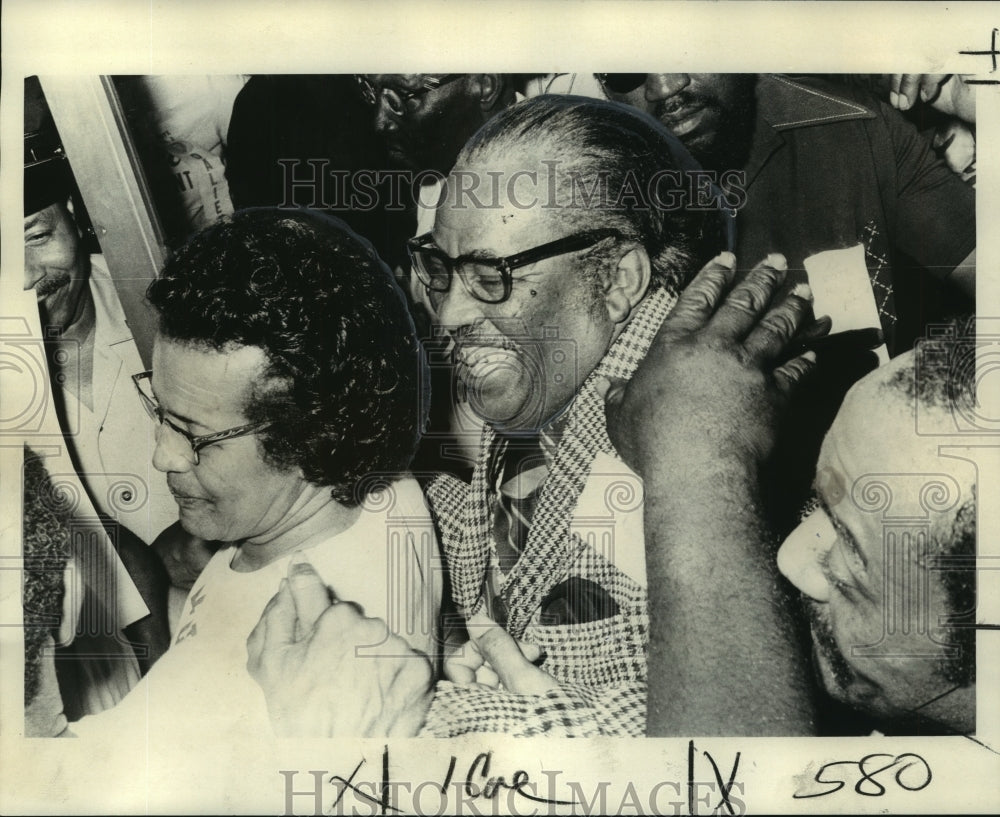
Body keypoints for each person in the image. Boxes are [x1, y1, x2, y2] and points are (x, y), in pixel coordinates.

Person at [405, 94, 771, 737]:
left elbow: (721, 752)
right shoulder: (543, 373)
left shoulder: (701, 442)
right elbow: (479, 540)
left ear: (617, 281)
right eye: (441, 268)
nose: (450, 315)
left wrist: (475, 712)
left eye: (491, 273)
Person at [56, 208, 441, 740]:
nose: (163, 456)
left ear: (310, 438)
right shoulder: (379, 488)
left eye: (191, 434)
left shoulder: (284, 662)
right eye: (161, 412)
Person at [606, 73, 975, 354]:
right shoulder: (596, 203)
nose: (664, 86)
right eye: (625, 70)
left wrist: (983, 102)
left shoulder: (849, 125)